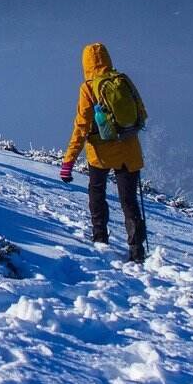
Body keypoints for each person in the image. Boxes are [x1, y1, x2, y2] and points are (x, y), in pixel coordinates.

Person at [59, 42, 149, 263]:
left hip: (100, 153)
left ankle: (100, 238)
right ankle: (136, 250)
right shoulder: (123, 80)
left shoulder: (88, 87)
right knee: (129, 201)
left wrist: (68, 161)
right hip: (129, 150)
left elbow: (81, 126)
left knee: (97, 192)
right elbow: (142, 113)